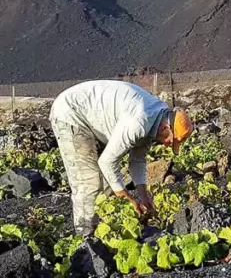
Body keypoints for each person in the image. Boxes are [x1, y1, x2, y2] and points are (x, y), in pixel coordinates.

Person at [49, 80, 194, 235]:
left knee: (109, 182)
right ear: (166, 127)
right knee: (88, 182)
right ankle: (85, 239)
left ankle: (103, 234)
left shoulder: (157, 120)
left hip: (93, 118)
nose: (167, 144)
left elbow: (137, 160)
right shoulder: (139, 121)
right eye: (170, 140)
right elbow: (106, 162)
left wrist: (144, 197)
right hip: (70, 113)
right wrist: (126, 197)